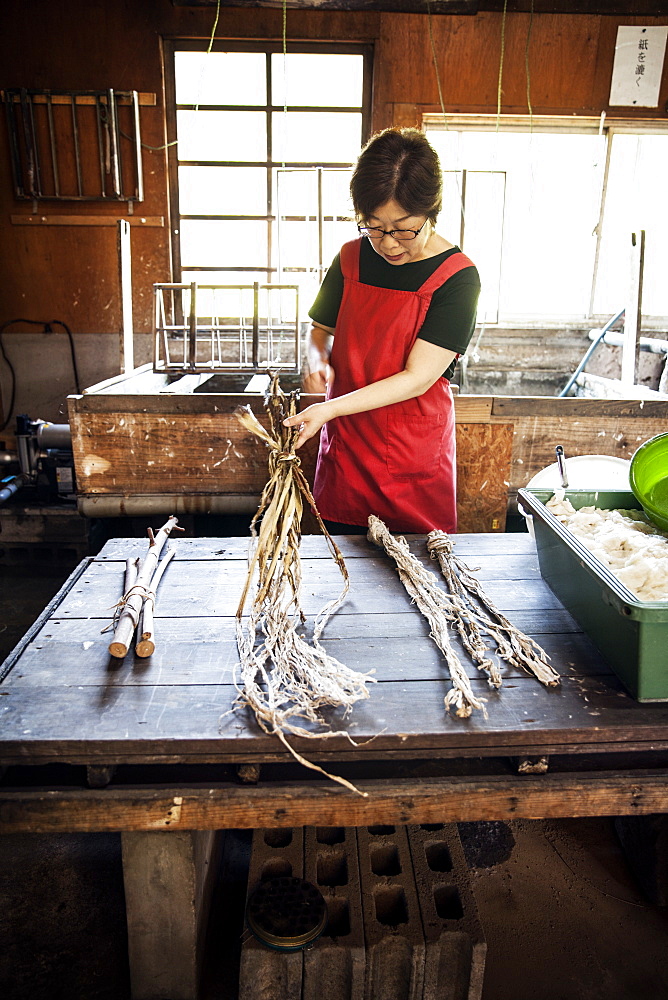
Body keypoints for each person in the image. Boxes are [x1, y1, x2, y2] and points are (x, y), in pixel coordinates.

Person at [283, 126, 480, 535]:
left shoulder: (457, 279)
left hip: (411, 455)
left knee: (417, 572)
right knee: (341, 566)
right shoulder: (351, 257)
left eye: (403, 228)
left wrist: (329, 407)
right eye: (373, 226)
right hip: (347, 448)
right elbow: (320, 329)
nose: (388, 243)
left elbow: (417, 377)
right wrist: (316, 358)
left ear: (432, 209)